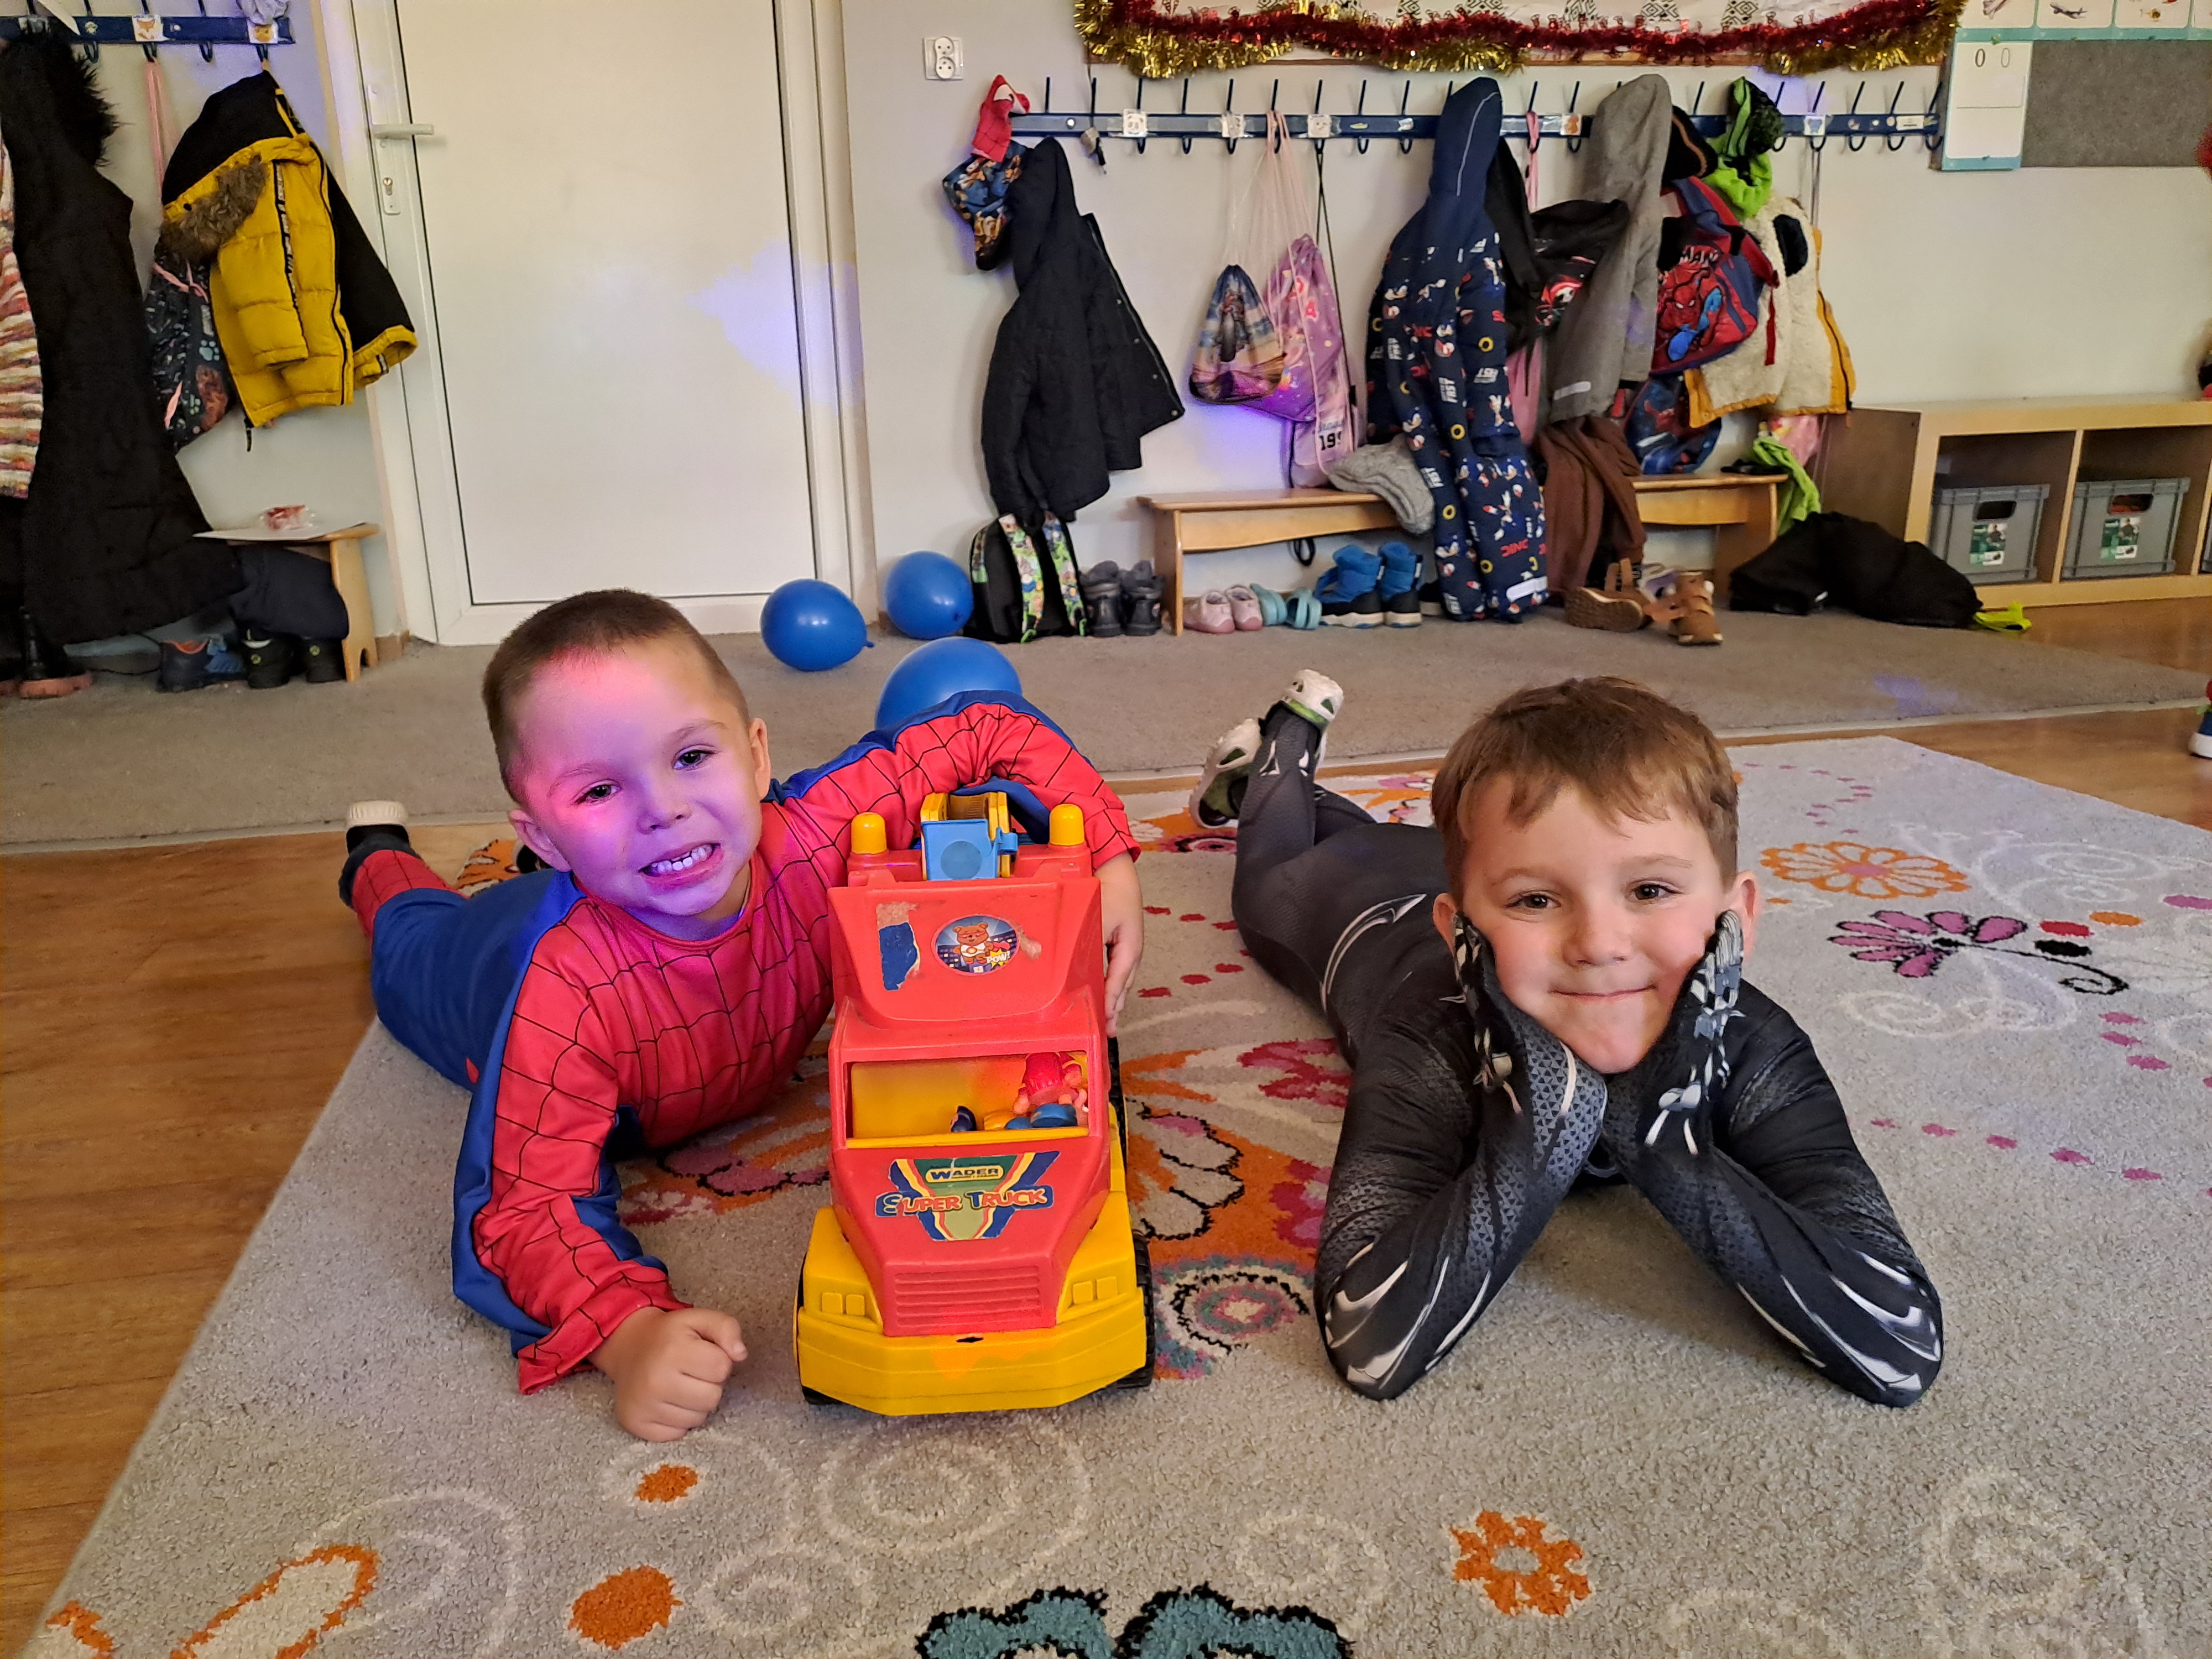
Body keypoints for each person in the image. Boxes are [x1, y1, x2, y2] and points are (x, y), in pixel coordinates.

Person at [341, 589, 1144, 1441]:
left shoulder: (816, 833)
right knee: (408, 931)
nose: (662, 809)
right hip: (471, 968)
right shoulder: (559, 991)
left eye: (692, 756)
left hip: (611, 929)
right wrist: (624, 1331)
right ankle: (376, 855)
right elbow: (525, 1208)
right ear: (540, 835)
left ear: (757, 756)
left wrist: (1108, 855)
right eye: (601, 789)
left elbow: (985, 725)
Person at [1191, 671, 1941, 1407]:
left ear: (1736, 916)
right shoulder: (1428, 1034)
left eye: (1650, 890)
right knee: (1270, 872)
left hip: (1458, 869)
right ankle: (1285, 749)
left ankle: (1339, 808)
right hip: (1352, 911)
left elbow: (1903, 1350)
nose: (1598, 945)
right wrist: (1553, 1118)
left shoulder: (1753, 1040)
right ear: (1460, 932)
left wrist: (1666, 1144)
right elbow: (1367, 1344)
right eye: (1538, 901)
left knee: (1402, 842)